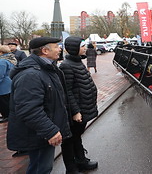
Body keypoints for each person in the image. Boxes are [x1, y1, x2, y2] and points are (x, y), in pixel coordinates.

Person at [7, 37, 71, 174]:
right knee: (41, 168)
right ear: (45, 51)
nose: (60, 48)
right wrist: (50, 131)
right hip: (38, 133)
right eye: (56, 46)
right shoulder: (31, 74)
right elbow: (29, 109)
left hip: (41, 132)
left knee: (41, 166)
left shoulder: (47, 68)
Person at [60, 36, 98, 173]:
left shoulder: (77, 62)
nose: (84, 48)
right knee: (69, 140)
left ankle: (81, 160)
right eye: (82, 46)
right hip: (78, 111)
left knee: (76, 137)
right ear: (73, 48)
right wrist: (76, 111)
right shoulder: (66, 66)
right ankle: (71, 168)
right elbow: (67, 91)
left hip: (84, 107)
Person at [0, 45, 16, 123]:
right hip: (9, 83)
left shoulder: (2, 61)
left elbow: (0, 74)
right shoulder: (11, 59)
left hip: (3, 85)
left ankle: (6, 116)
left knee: (3, 101)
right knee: (7, 100)